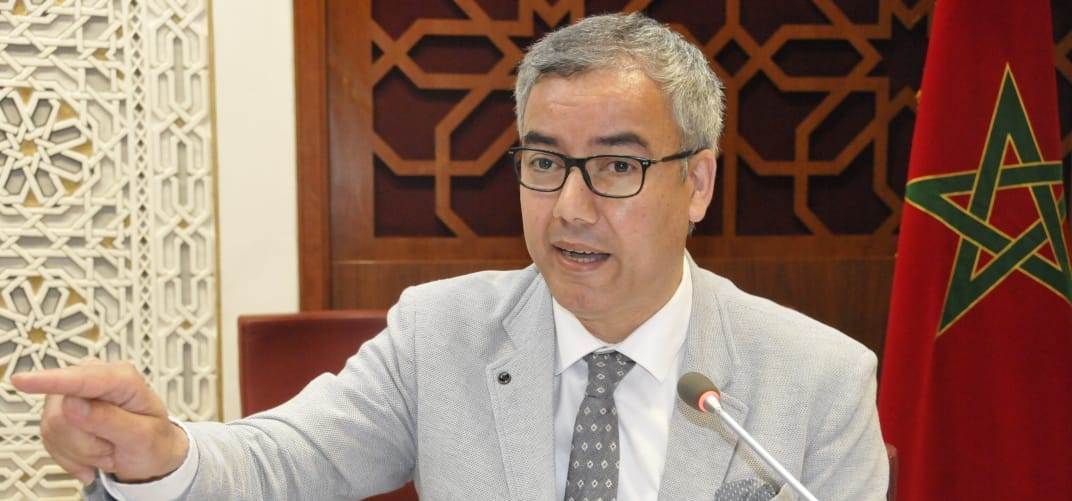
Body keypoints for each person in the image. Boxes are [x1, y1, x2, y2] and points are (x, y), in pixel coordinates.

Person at [12, 12, 888, 500]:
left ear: (696, 183)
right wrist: (163, 454)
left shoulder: (820, 381)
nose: (570, 206)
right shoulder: (441, 333)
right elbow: (288, 458)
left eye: (617, 167)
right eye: (544, 162)